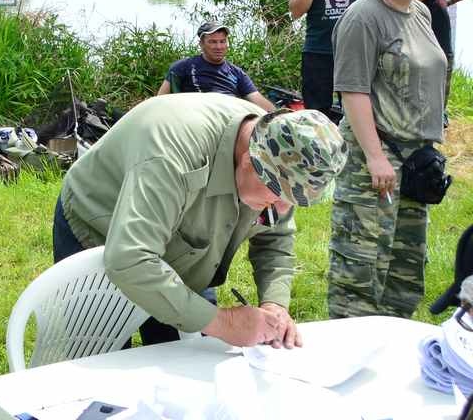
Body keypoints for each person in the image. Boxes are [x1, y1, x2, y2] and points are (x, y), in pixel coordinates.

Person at [53, 95, 343, 347]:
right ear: (248, 161)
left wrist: (274, 304)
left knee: (185, 362)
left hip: (185, 248)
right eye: (279, 194)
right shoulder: (171, 154)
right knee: (101, 363)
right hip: (98, 228)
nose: (283, 208)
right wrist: (225, 323)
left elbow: (275, 239)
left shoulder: (280, 155)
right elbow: (129, 259)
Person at [327, 0, 450, 319]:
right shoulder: (363, 18)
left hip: (417, 156)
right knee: (361, 262)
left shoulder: (420, 12)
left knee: (405, 263)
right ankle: (349, 340)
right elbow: (353, 91)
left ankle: (395, 339)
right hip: (375, 154)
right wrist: (375, 157)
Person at [289, 0, 375, 118]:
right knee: (316, 111)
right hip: (318, 50)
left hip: (352, 51)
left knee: (356, 106)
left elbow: (374, 5)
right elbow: (295, 12)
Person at [155, 19, 276, 111]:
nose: (219, 47)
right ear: (201, 44)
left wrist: (279, 115)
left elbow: (256, 98)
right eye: (212, 42)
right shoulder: (182, 67)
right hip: (196, 115)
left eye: (222, 41)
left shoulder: (237, 73)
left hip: (229, 117)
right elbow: (159, 100)